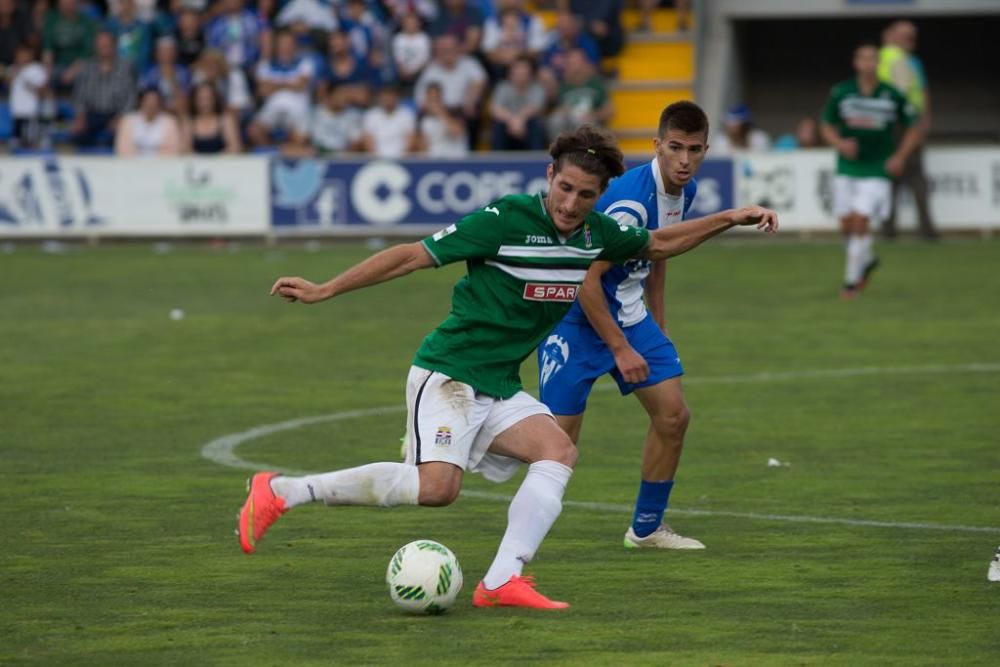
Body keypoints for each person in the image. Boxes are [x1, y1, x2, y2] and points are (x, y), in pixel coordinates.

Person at [237, 124, 779, 610]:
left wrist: (731, 217)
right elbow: (411, 254)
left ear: (599, 196)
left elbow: (657, 243)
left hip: (497, 384)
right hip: (448, 372)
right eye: (564, 188)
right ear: (550, 176)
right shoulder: (504, 219)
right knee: (437, 490)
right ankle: (282, 492)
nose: (570, 203)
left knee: (558, 451)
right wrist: (326, 288)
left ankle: (500, 581)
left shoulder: (597, 234)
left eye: (585, 195)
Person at [537, 101, 708, 550]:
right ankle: (457, 435)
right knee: (556, 446)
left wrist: (659, 322)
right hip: (576, 319)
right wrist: (619, 349)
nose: (684, 160)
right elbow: (586, 281)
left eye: (694, 150)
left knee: (673, 415)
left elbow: (658, 253)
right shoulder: (629, 202)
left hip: (629, 315)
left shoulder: (684, 191)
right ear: (657, 146)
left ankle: (647, 529)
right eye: (675, 148)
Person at [820, 43, 921, 300]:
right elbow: (826, 125)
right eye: (863, 58)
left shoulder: (891, 94)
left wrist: (900, 156)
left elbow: (914, 126)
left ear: (878, 63)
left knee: (861, 221)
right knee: (847, 226)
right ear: (856, 63)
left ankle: (851, 284)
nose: (868, 63)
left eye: (872, 59)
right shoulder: (842, 92)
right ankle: (868, 258)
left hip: (877, 168)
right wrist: (840, 144)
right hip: (847, 167)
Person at [879, 20, 937, 240]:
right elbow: (904, 94)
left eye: (912, 35)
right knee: (908, 176)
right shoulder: (894, 58)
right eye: (906, 35)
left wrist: (924, 121)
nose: (910, 39)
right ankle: (921, 231)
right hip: (899, 123)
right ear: (892, 36)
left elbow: (921, 92)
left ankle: (891, 230)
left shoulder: (909, 60)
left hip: (906, 123)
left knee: (899, 175)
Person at [246, 29, 314, 149]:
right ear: (276, 45)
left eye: (288, 43)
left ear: (294, 45)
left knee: (301, 137)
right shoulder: (265, 65)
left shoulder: (305, 63)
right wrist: (290, 83)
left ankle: (284, 153)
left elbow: (300, 86)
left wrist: (274, 84)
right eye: (282, 43)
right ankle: (272, 153)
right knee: (254, 130)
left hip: (297, 110)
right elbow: (263, 91)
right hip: (271, 109)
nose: (285, 47)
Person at [71, 29, 137, 149]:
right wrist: (80, 116)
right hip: (91, 114)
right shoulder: (87, 67)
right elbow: (79, 94)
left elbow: (131, 96)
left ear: (114, 45)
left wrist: (121, 117)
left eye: (107, 45)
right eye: (101, 45)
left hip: (116, 114)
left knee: (123, 134)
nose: (104, 47)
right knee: (77, 134)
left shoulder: (126, 68)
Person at [489, 55, 546, 151]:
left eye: (524, 72)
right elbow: (495, 108)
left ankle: (536, 159)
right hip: (508, 126)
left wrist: (520, 119)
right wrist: (512, 120)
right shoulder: (502, 87)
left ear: (530, 74)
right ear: (511, 73)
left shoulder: (537, 88)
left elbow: (536, 107)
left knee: (536, 123)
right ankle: (497, 161)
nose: (521, 74)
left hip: (527, 126)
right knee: (498, 125)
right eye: (518, 70)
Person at [114, 86, 181, 156]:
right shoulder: (128, 121)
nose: (151, 106)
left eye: (154, 102)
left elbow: (174, 149)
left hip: (161, 164)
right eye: (148, 102)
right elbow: (121, 148)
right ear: (141, 102)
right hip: (132, 164)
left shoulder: (170, 122)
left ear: (159, 104)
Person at [182, 81, 242, 154]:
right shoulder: (188, 122)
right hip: (196, 164)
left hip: (223, 163)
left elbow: (235, 147)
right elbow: (186, 149)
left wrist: (215, 161)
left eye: (208, 98)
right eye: (201, 99)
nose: (205, 103)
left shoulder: (226, 120)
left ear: (215, 99)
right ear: (194, 100)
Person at [360, 83, 416, 158]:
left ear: (397, 97)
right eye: (386, 95)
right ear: (380, 96)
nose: (389, 98)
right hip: (376, 160)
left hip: (401, 160)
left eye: (392, 95)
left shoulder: (407, 115)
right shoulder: (371, 115)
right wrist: (379, 159)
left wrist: (400, 159)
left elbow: (410, 141)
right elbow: (368, 141)